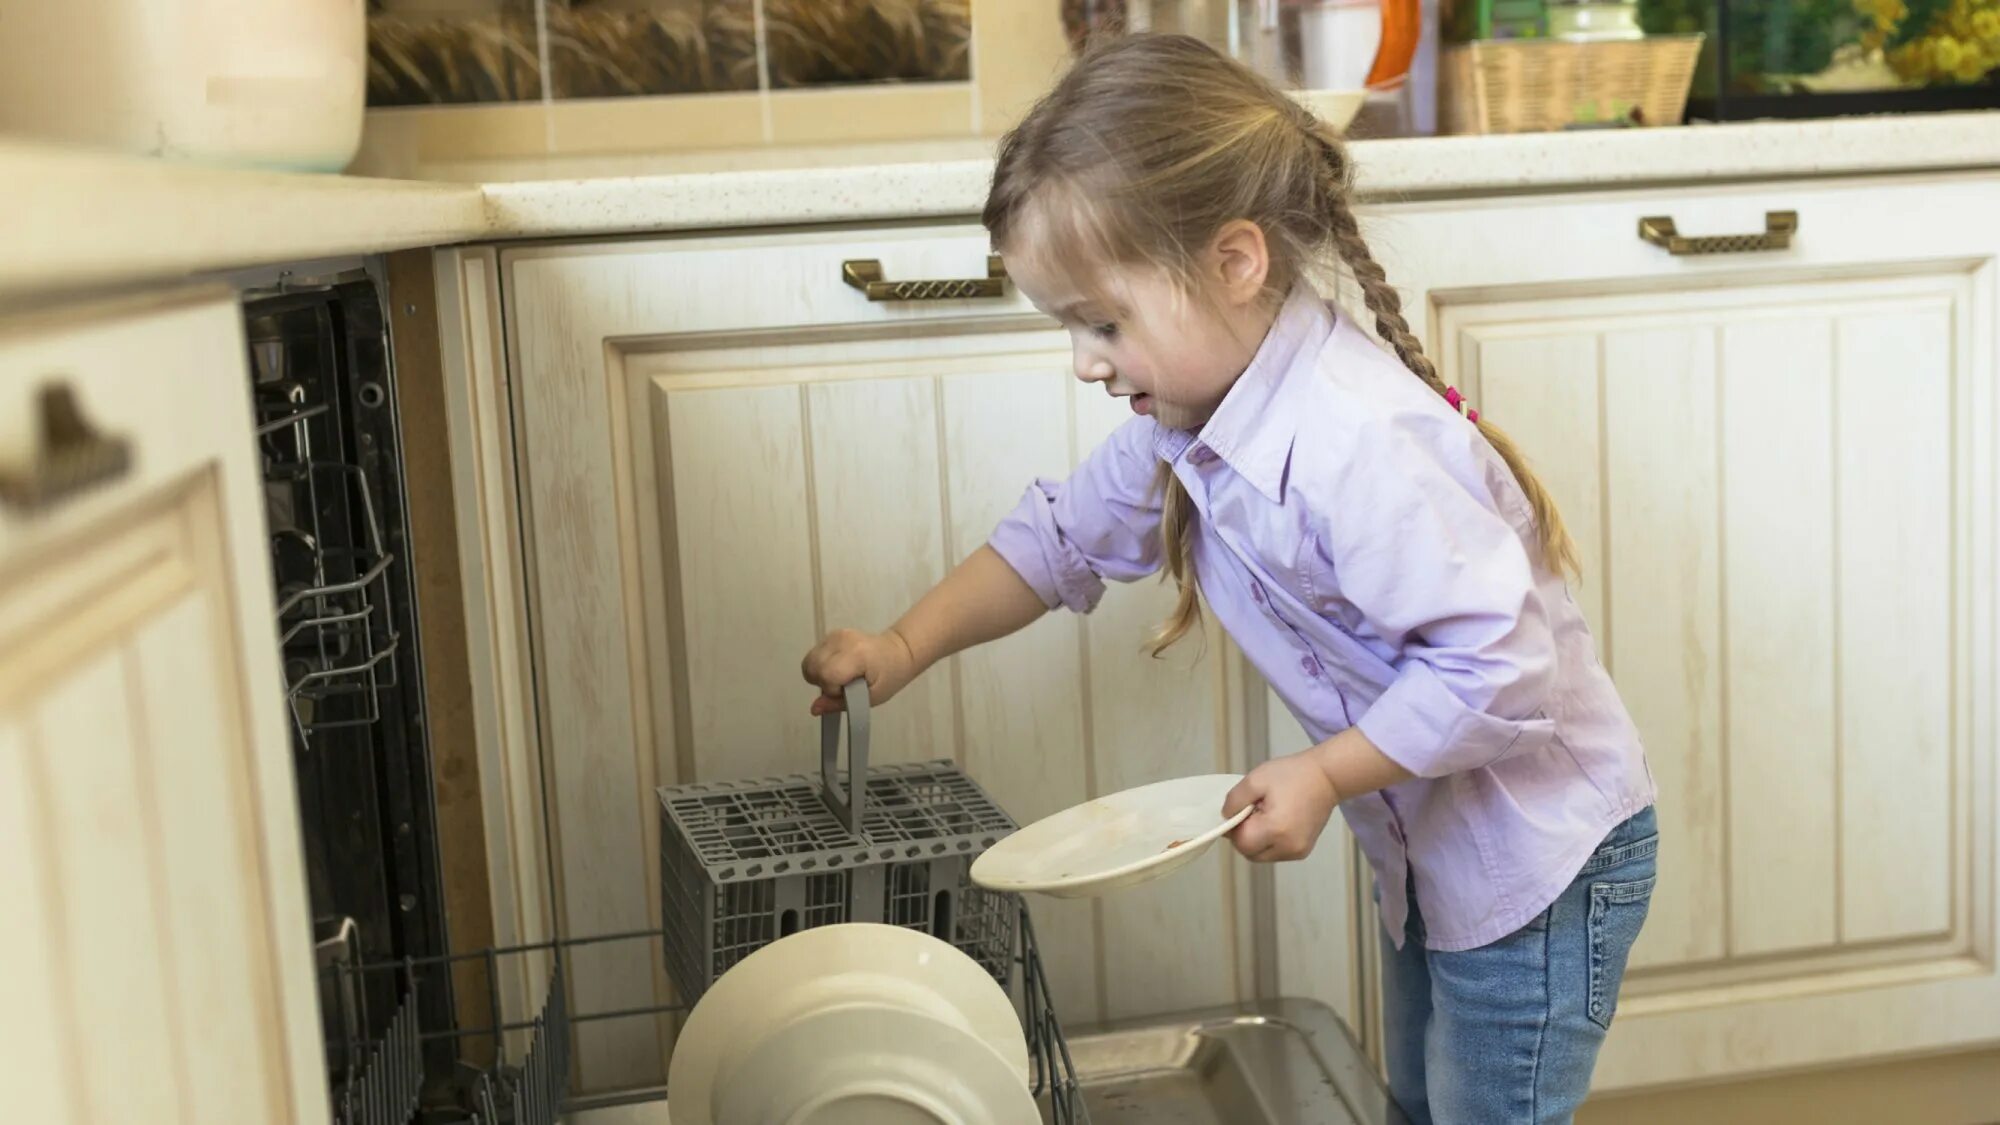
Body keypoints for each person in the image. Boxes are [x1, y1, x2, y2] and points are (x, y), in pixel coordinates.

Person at [799, 32, 1658, 1124]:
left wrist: (1324, 775)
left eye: (1102, 321)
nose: (1083, 360)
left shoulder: (1356, 442)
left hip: (1538, 863)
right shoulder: (1188, 417)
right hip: (1439, 854)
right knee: (1418, 1104)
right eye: (1068, 327)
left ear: (1234, 261)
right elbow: (1057, 539)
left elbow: (1497, 670)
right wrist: (900, 646)